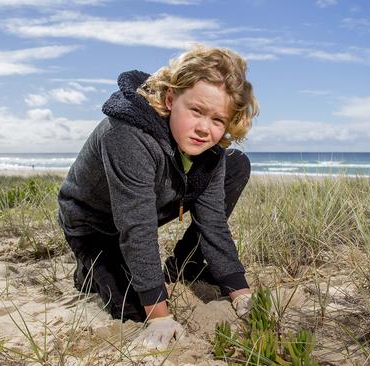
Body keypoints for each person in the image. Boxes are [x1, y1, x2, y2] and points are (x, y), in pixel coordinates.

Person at [57, 45, 258, 350]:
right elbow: (137, 227)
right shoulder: (125, 132)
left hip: (147, 203)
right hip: (93, 224)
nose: (204, 128)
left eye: (218, 120)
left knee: (236, 163)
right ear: (170, 99)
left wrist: (240, 293)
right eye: (196, 111)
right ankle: (89, 269)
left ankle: (184, 264)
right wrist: (160, 317)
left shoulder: (208, 150)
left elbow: (213, 222)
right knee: (135, 309)